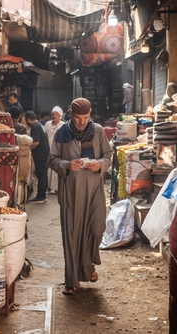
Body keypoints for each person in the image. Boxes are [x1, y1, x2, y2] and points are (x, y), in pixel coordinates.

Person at [48, 97, 112, 295]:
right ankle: (72, 280)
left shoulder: (99, 131)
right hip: (71, 192)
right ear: (70, 113)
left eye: (85, 117)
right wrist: (67, 165)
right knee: (73, 235)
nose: (82, 121)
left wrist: (99, 164)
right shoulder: (62, 132)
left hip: (94, 190)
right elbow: (52, 159)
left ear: (90, 113)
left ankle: (88, 265)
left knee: (97, 227)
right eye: (77, 117)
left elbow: (108, 156)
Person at [25, 110, 50, 204]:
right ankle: (43, 193)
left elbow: (36, 142)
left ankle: (41, 196)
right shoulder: (40, 124)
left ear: (28, 119)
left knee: (41, 174)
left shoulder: (35, 127)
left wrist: (28, 149)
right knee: (43, 173)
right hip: (44, 153)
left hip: (40, 154)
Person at [45, 106, 65, 194]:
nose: (54, 116)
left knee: (57, 169)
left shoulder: (63, 125)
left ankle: (57, 187)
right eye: (53, 114)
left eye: (56, 114)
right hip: (48, 149)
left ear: (60, 115)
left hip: (58, 150)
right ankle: (49, 186)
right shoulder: (47, 124)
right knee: (49, 170)